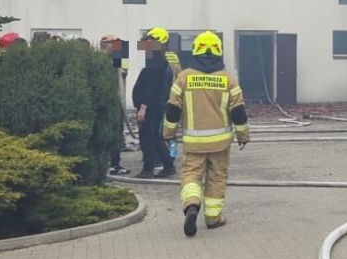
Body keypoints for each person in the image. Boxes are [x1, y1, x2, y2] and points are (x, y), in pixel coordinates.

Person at [164, 30, 249, 236]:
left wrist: (168, 133)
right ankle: (213, 218)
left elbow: (172, 109)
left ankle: (192, 206)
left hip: (194, 143)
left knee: (191, 175)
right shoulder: (228, 79)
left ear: (196, 51)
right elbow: (238, 112)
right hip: (220, 144)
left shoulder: (184, 78)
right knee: (216, 178)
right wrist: (243, 136)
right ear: (219, 53)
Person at [132, 27, 176, 178]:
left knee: (148, 137)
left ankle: (149, 168)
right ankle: (168, 166)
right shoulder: (158, 58)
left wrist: (143, 107)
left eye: (150, 41)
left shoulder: (154, 60)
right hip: (157, 105)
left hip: (151, 106)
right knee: (155, 136)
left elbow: (150, 86)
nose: (146, 44)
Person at [100, 34, 130, 176]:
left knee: (117, 134)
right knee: (111, 134)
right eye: (114, 44)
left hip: (115, 103)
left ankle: (113, 163)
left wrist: (121, 45)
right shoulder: (104, 61)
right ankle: (111, 164)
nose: (118, 47)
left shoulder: (115, 61)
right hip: (109, 103)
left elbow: (125, 72)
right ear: (107, 45)